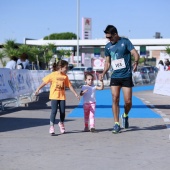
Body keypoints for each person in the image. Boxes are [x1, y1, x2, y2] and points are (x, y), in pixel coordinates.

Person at [100, 25, 140, 134]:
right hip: (115, 76)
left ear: (115, 35)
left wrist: (136, 62)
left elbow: (135, 53)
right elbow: (107, 62)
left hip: (126, 75)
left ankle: (125, 115)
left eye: (110, 37)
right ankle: (116, 124)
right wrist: (103, 72)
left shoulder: (125, 42)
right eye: (107, 38)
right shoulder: (108, 47)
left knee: (128, 101)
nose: (108, 39)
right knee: (115, 98)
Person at [35, 60, 80, 135]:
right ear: (61, 67)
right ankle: (51, 126)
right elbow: (44, 82)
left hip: (62, 97)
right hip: (54, 96)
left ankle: (61, 123)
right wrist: (38, 89)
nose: (67, 69)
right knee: (54, 111)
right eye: (66, 67)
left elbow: (69, 85)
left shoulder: (65, 76)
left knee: (62, 112)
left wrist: (75, 93)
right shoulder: (53, 75)